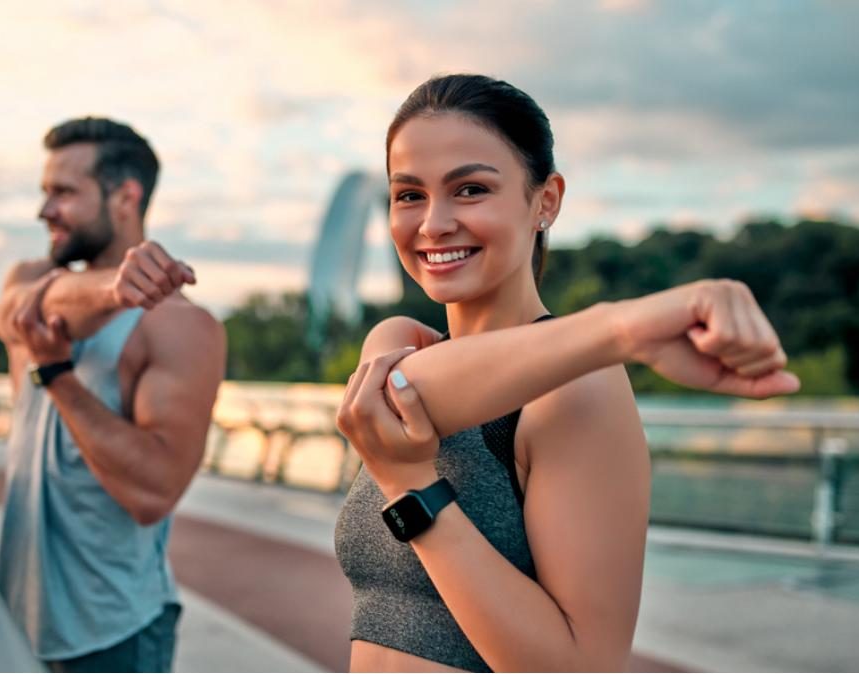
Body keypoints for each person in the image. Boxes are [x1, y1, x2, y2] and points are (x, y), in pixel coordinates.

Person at [333, 74, 800, 672]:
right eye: (409, 195)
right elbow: (407, 393)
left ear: (545, 201)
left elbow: (582, 667)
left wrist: (414, 493)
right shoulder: (399, 342)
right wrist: (624, 329)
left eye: (470, 189)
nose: (434, 223)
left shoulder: (581, 390)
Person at [0, 117, 226, 672]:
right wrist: (114, 288)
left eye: (64, 193)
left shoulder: (182, 328)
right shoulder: (29, 283)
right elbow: (25, 311)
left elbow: (153, 493)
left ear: (125, 197)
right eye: (45, 192)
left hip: (113, 636)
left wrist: (59, 378)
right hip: (14, 620)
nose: (44, 210)